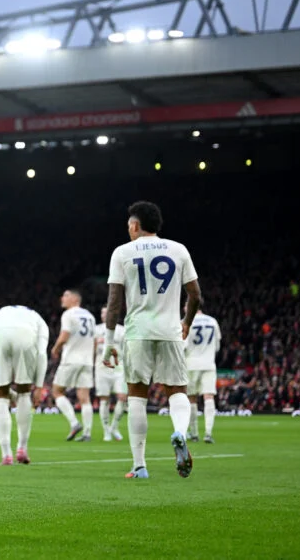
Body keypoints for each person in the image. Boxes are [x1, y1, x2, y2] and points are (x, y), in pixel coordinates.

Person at [101, 201, 202, 479]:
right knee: (177, 391)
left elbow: (114, 302)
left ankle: (139, 465)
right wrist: (186, 323)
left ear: (134, 225)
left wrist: (109, 342)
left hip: (137, 332)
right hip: (170, 331)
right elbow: (195, 295)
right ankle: (179, 433)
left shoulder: (122, 252)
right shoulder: (178, 249)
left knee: (136, 397)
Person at [0, 305, 49, 465]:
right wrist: (39, 386)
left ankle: (6, 454)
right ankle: (22, 448)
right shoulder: (38, 319)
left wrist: (2, 387)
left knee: (0, 396)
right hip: (25, 335)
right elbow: (41, 353)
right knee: (24, 393)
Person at [50, 290, 97, 441]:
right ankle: (87, 433)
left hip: (71, 359)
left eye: (65, 295)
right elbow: (94, 341)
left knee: (57, 391)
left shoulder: (69, 314)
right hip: (87, 361)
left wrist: (55, 348)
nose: (62, 298)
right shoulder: (90, 316)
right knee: (84, 397)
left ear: (75, 299)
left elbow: (64, 336)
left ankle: (74, 423)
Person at [184, 307, 221, 443]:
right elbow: (217, 346)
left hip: (191, 364)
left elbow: (183, 346)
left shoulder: (186, 321)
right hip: (209, 363)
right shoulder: (213, 321)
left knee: (191, 399)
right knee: (209, 396)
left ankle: (194, 433)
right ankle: (208, 433)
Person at [94, 306, 127, 441]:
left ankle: (114, 426)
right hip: (101, 368)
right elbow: (91, 349)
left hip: (118, 367)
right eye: (102, 312)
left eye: (106, 312)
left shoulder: (122, 330)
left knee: (122, 397)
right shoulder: (96, 330)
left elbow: (126, 350)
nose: (103, 315)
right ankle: (106, 431)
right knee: (104, 399)